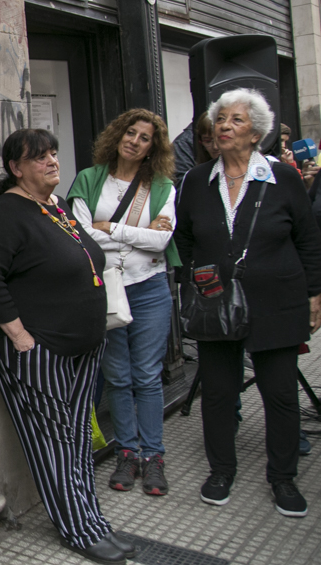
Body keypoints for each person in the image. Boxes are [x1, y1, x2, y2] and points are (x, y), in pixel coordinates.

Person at [0, 128, 132, 565]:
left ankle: (92, 519)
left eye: (54, 154)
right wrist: (21, 338)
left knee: (77, 436)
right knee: (54, 441)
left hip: (82, 346)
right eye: (39, 157)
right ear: (16, 168)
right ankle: (77, 528)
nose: (52, 162)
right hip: (38, 351)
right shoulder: (7, 213)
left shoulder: (56, 206)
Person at [173, 87, 321, 517]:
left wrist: (315, 294)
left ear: (256, 133)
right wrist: (196, 283)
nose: (224, 126)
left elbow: (308, 240)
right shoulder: (197, 180)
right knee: (218, 393)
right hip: (215, 305)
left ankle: (283, 477)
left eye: (236, 120)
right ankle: (221, 470)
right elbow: (185, 237)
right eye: (220, 119)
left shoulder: (282, 177)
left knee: (280, 394)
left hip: (278, 301)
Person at [68, 109, 179, 496]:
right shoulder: (89, 179)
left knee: (146, 375)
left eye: (144, 138)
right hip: (107, 289)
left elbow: (161, 241)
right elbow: (82, 235)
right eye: (130, 132)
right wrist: (139, 232)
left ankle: (153, 457)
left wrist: (111, 228)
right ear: (118, 135)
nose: (135, 141)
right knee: (117, 376)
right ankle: (127, 453)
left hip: (149, 288)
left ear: (153, 148)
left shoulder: (162, 186)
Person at [172, 112, 219, 187]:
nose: (215, 147)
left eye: (220, 139)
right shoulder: (184, 143)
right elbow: (184, 187)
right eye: (207, 141)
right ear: (200, 142)